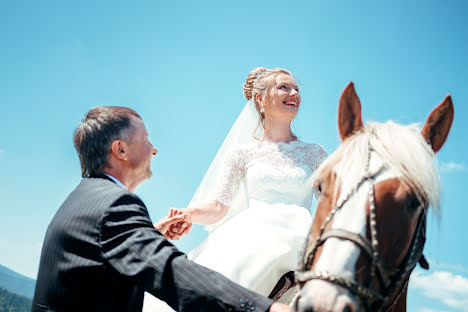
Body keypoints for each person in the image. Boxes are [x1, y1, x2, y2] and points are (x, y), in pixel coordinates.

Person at [32, 106, 289, 312]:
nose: (154, 150)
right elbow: (171, 272)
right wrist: (266, 308)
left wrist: (150, 233)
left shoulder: (85, 198)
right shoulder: (114, 206)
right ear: (120, 149)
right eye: (146, 140)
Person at [144, 67, 327, 311]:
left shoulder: (316, 153)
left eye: (296, 88)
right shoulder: (242, 154)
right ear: (260, 100)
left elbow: (333, 202)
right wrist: (187, 214)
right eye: (284, 87)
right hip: (254, 238)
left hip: (302, 239)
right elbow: (219, 207)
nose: (294, 92)